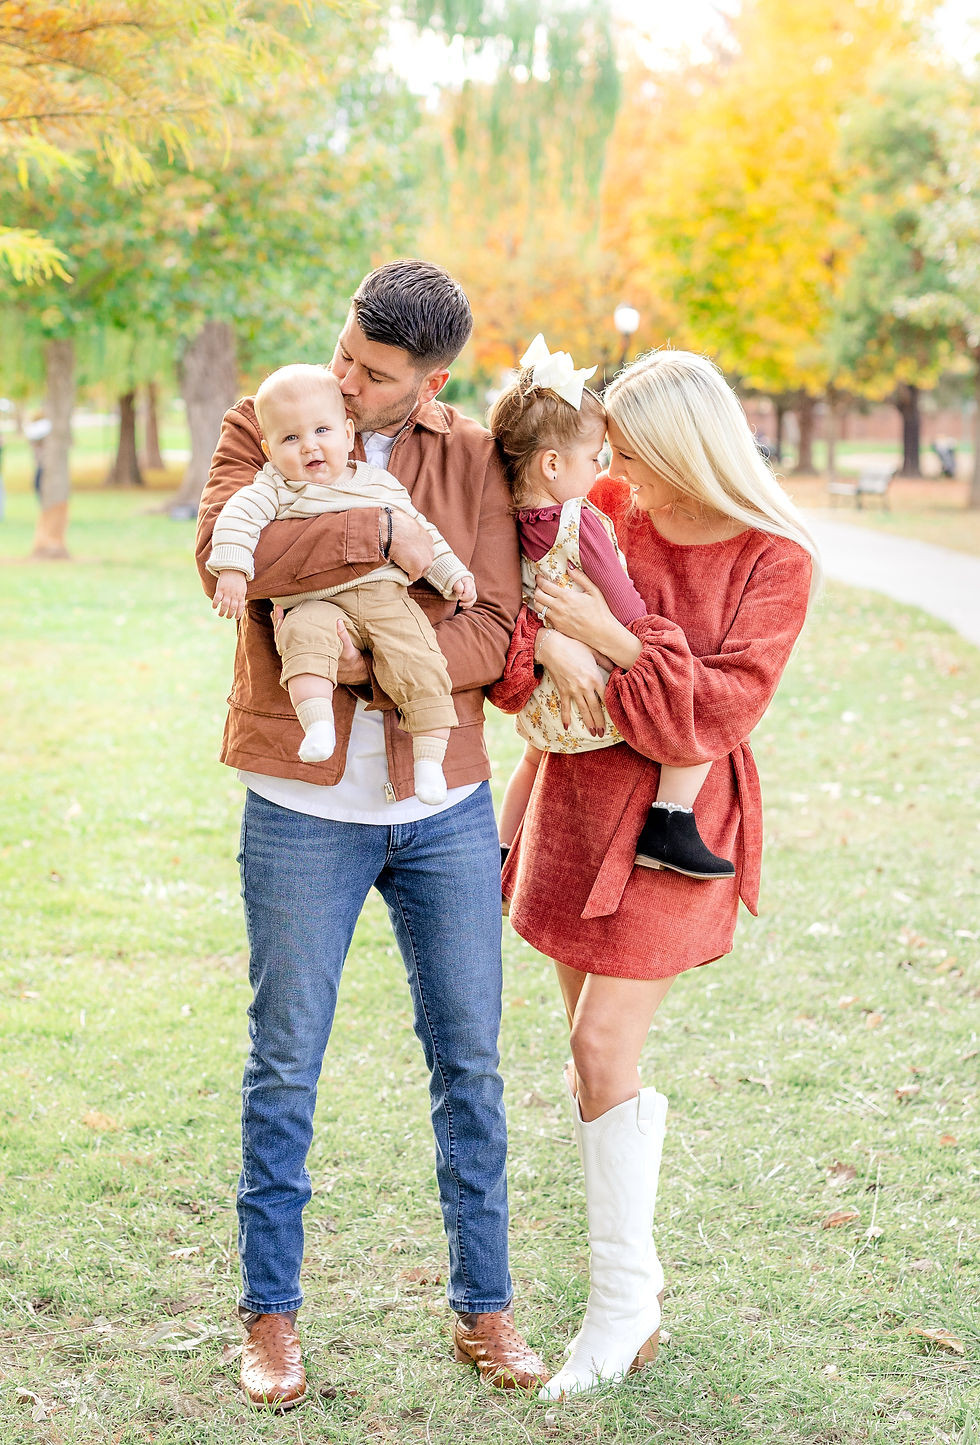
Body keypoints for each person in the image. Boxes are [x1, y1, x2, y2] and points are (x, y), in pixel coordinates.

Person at [195, 260, 548, 1408]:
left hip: (439, 806)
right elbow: (226, 560)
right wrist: (385, 561)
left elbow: (493, 626)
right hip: (301, 813)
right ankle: (271, 1318)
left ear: (428, 381)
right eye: (344, 351)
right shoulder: (270, 413)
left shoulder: (466, 457)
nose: (343, 382)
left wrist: (357, 662)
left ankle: (485, 1305)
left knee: (469, 1063)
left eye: (372, 373)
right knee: (284, 1063)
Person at [489, 348, 818, 1399]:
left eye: (627, 445)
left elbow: (717, 711)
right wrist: (583, 647)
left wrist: (608, 638)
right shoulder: (610, 500)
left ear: (681, 442)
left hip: (676, 823)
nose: (613, 462)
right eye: (608, 447)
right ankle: (631, 1289)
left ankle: (620, 1300)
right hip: (573, 796)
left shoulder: (774, 556)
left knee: (600, 1039)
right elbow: (528, 626)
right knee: (588, 1054)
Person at [491, 334, 734, 881]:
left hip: (546, 704)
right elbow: (621, 602)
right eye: (600, 457)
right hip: (598, 689)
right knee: (691, 712)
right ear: (553, 464)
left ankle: (500, 851)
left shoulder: (506, 520)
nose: (607, 472)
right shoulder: (583, 521)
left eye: (618, 457)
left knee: (531, 761)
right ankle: (671, 823)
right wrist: (645, 645)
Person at [206, 364, 477, 805]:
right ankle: (318, 725)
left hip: (384, 597)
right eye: (290, 439)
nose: (309, 445)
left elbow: (420, 532)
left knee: (419, 657)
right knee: (302, 636)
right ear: (269, 449)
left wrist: (451, 575)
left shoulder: (377, 484)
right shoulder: (272, 488)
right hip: (315, 598)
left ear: (347, 433)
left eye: (321, 431)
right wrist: (234, 569)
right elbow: (236, 521)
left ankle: (429, 761)